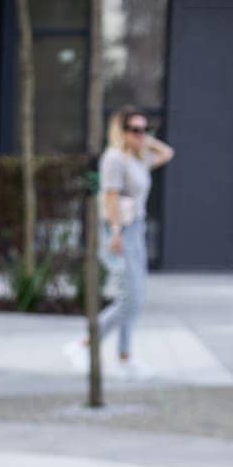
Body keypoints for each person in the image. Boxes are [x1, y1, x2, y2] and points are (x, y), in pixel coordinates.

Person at [68, 107, 174, 378]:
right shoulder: (114, 158)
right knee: (129, 298)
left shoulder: (138, 158)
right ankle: (85, 345)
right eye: (135, 130)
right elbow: (110, 197)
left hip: (136, 231)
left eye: (144, 129)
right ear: (121, 131)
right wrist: (115, 232)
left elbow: (167, 153)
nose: (141, 135)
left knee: (137, 299)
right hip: (120, 231)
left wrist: (144, 140)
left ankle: (125, 357)